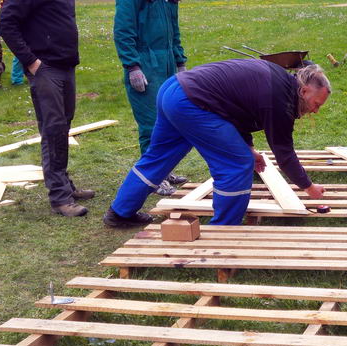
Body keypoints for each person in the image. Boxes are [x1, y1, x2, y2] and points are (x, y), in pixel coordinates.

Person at [103, 59, 330, 228]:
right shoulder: (280, 100)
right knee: (236, 164)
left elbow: (238, 111)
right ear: (304, 91)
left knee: (159, 156)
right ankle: (223, 231)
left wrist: (250, 148)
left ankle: (120, 212)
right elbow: (284, 153)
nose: (315, 110)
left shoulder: (280, 81)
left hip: (173, 90)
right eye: (316, 104)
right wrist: (308, 187)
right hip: (190, 101)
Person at [0, 0, 95, 217]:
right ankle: (60, 198)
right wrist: (30, 61)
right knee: (53, 130)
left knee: (63, 127)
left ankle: (65, 185)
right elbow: (6, 23)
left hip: (65, 66)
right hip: (45, 69)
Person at [113, 0, 189, 195]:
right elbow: (123, 32)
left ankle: (164, 170)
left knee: (170, 120)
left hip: (167, 64)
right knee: (151, 124)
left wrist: (180, 61)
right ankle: (152, 178)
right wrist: (132, 66)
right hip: (145, 65)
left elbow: (174, 31)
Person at [0, 0, 24, 86]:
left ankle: (30, 75)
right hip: (16, 30)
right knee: (19, 55)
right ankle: (17, 80)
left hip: (26, 29)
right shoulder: (6, 0)